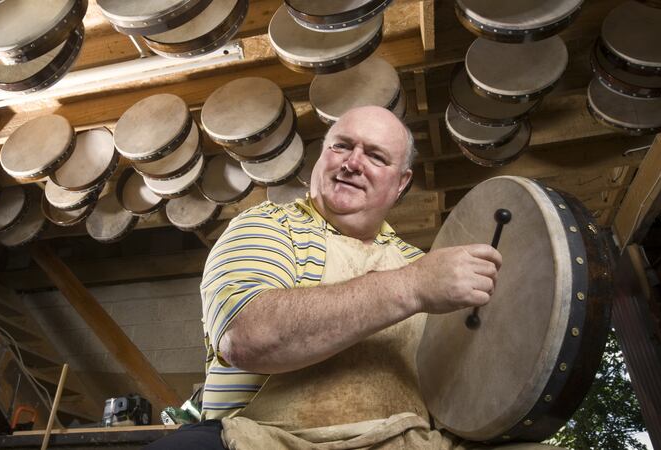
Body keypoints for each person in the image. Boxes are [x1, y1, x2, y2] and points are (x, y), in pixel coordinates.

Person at [147, 106, 559, 449]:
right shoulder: (268, 226)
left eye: (376, 156)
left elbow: (462, 389)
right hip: (273, 441)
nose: (352, 162)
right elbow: (248, 337)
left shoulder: (418, 261)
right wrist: (411, 287)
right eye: (341, 146)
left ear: (401, 184)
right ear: (321, 158)